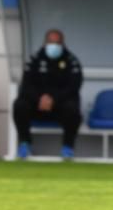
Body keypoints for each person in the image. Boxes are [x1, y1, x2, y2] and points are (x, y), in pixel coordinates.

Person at [12, 29, 83, 161]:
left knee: (73, 108)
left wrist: (53, 99)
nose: (54, 46)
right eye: (51, 42)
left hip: (60, 107)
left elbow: (73, 87)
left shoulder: (71, 61)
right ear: (45, 43)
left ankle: (68, 148)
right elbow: (27, 85)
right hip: (37, 105)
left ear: (63, 44)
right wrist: (41, 98)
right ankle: (24, 144)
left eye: (57, 42)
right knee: (19, 104)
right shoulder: (34, 59)